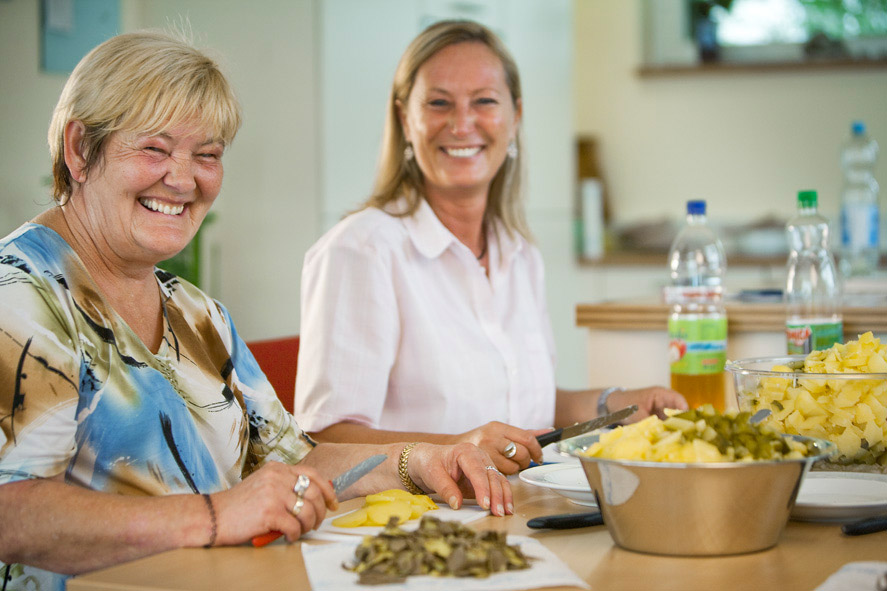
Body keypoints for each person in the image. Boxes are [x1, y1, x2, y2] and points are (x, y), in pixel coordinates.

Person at [0, 31, 511, 591]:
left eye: (207, 155)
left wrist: (417, 461)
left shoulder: (197, 314)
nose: (182, 178)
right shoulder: (20, 293)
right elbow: (10, 512)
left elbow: (293, 462)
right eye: (154, 148)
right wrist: (217, 516)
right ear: (79, 149)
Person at [294, 20, 687, 475]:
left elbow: (519, 407)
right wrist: (458, 448)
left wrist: (615, 403)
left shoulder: (519, 254)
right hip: (417, 526)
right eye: (439, 103)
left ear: (515, 117)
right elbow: (323, 439)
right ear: (405, 119)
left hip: (522, 506)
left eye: (484, 101)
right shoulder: (360, 251)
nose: (462, 124)